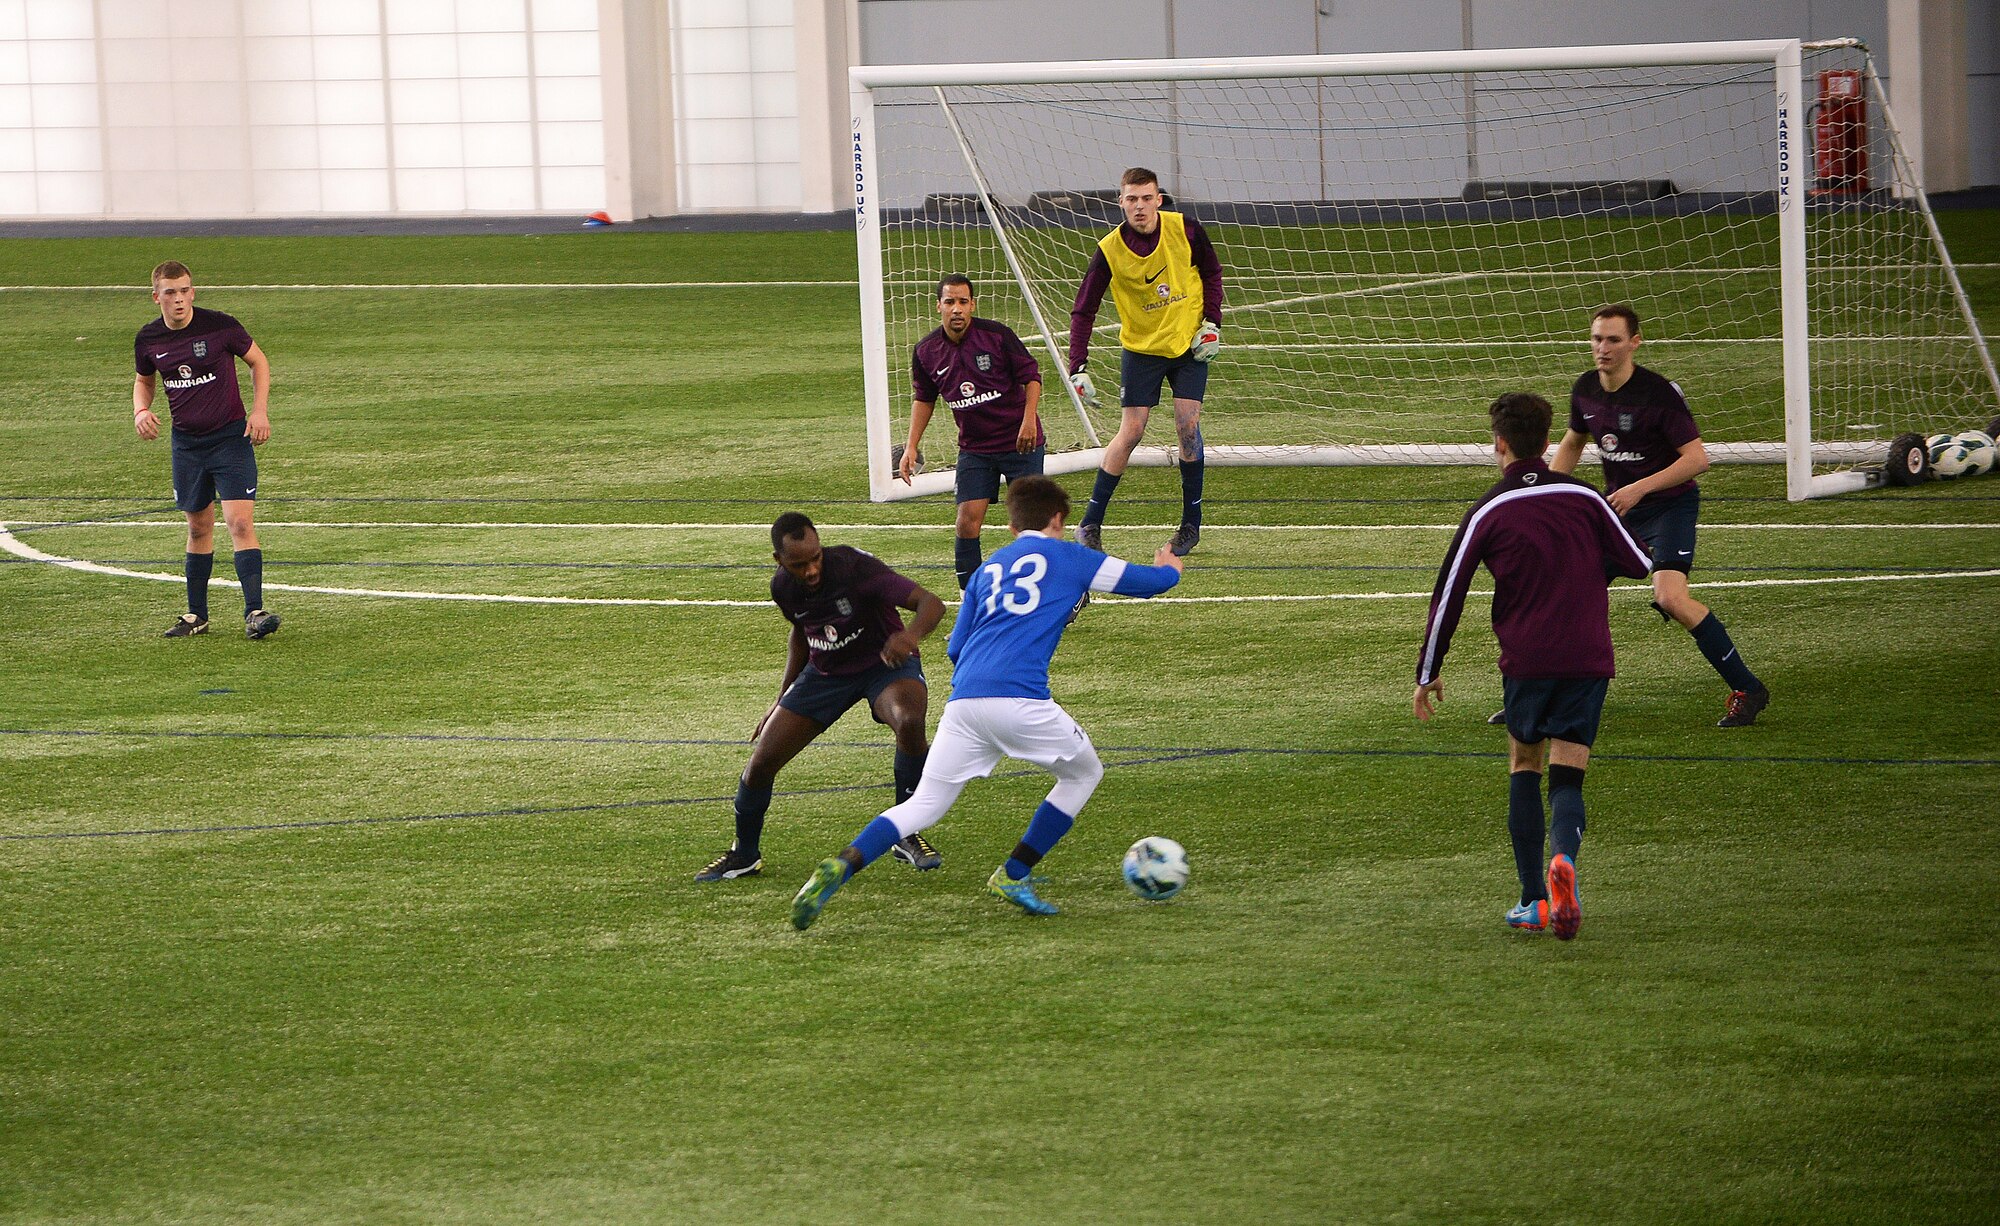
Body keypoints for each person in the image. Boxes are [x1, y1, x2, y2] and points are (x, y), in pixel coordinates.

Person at [790, 476, 1184, 931]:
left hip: (964, 704)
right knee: (1084, 772)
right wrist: (1169, 565)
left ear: (1013, 525)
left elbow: (957, 647)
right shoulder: (1070, 555)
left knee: (925, 805)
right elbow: (1148, 584)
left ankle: (842, 864)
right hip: (1019, 700)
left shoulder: (986, 570)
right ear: (1058, 519)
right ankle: (1013, 874)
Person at [1415, 392, 1652, 941]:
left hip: (1528, 658)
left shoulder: (1489, 509)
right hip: (1588, 655)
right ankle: (1564, 856)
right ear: (1548, 444)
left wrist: (1428, 670)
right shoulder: (1584, 497)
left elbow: (1448, 594)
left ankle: (1532, 900)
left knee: (1526, 763)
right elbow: (1640, 562)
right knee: (1570, 772)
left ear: (1499, 443)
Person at [1500, 304, 1770, 728]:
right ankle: (1538, 695)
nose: (1602, 348)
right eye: (1596, 339)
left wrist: (1640, 487)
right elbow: (1573, 442)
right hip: (1619, 512)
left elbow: (1697, 460)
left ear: (1634, 343)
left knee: (1670, 597)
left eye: (1613, 340)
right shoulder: (1586, 389)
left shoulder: (1658, 394)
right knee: (1562, 590)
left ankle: (1747, 688)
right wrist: (1544, 491)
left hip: (1667, 508)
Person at [695, 513, 948, 882]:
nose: (812, 569)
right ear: (779, 561)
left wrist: (909, 637)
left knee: (909, 720)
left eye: (816, 558)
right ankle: (744, 854)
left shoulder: (855, 567)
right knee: (762, 762)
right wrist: (781, 699)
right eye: (800, 564)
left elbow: (931, 603)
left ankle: (903, 831)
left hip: (885, 664)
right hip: (826, 674)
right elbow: (802, 632)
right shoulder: (782, 586)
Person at [1067, 167, 1224, 558]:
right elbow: (1083, 310)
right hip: (1140, 350)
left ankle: (1191, 525)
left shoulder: (1185, 229)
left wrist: (1212, 323)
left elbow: (1211, 271)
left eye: (1146, 198)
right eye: (1131, 199)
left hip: (1188, 345)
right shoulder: (1108, 250)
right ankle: (1090, 523)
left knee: (1188, 427)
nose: (1139, 206)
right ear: (1120, 202)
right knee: (1132, 431)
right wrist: (1078, 365)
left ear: (1158, 199)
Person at [132, 260, 280, 640]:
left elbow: (258, 361)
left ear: (192, 292)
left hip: (230, 439)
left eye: (184, 291)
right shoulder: (149, 340)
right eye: (170, 293)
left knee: (240, 523)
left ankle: (255, 612)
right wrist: (140, 410)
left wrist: (259, 410)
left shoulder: (219, 325)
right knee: (198, 529)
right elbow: (143, 381)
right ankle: (196, 615)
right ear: (156, 297)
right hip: (187, 445)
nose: (178, 299)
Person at [902, 275, 1045, 592]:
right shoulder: (926, 351)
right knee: (967, 522)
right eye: (950, 301)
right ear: (938, 306)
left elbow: (1031, 377)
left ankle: (1060, 594)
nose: (957, 309)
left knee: (1032, 526)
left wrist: (1029, 420)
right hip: (975, 449)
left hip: (1020, 442)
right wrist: (911, 445)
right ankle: (974, 602)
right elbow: (924, 398)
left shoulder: (997, 336)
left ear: (972, 305)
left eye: (963, 302)